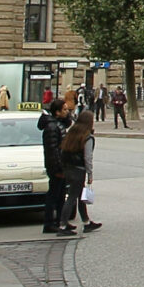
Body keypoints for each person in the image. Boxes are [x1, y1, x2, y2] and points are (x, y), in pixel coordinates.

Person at [53, 100, 94, 235]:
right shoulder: (87, 137)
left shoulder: (72, 132)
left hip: (69, 168)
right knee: (72, 197)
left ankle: (86, 221)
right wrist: (90, 174)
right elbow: (88, 157)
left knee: (79, 195)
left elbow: (63, 150)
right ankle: (63, 226)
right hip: (79, 170)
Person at [39, 91, 73, 233]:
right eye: (64, 110)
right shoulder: (52, 127)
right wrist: (58, 168)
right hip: (56, 167)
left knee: (60, 196)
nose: (67, 112)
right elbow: (52, 150)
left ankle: (60, 221)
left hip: (60, 165)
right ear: (57, 112)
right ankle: (49, 223)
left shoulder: (58, 124)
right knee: (53, 195)